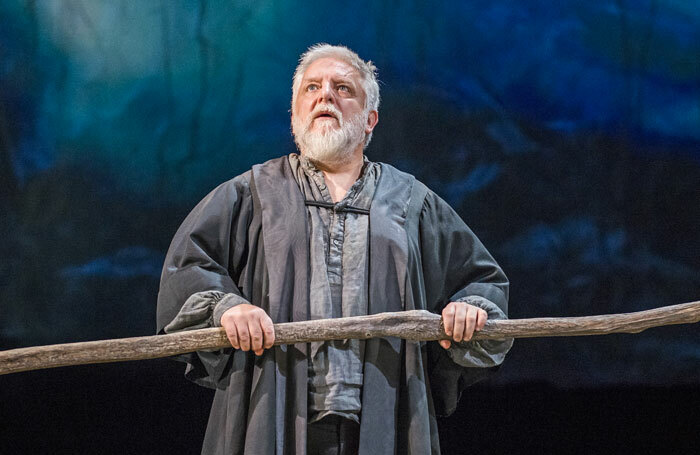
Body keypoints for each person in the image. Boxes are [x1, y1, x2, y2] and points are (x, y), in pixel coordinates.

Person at [157, 43, 513, 455]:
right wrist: (227, 307)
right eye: (312, 88)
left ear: (369, 120)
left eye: (343, 88)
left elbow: (480, 279)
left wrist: (469, 307)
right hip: (272, 412)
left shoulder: (411, 201)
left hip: (387, 414)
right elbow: (189, 263)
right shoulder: (254, 193)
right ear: (294, 117)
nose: (326, 95)